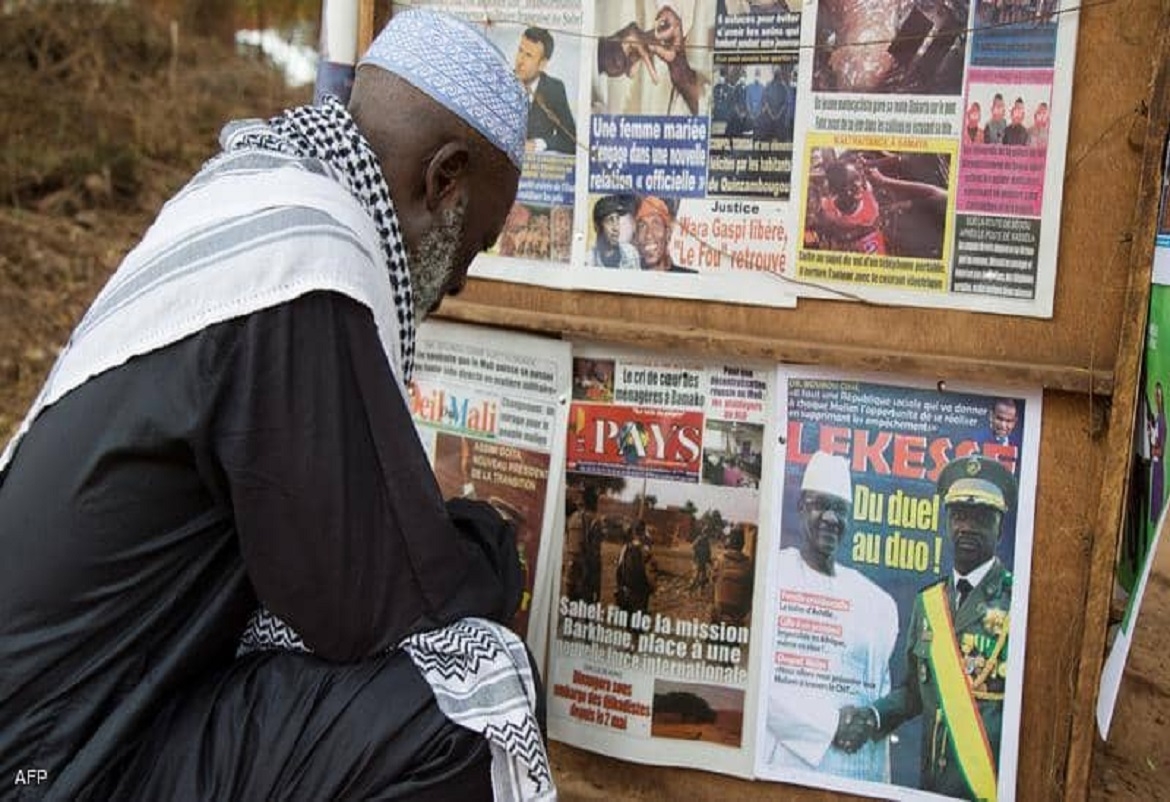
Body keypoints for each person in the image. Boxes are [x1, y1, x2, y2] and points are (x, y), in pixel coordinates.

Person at [0, 9, 553, 800]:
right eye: (475, 242)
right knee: (465, 706)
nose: (460, 278)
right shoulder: (303, 261)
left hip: (63, 727)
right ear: (443, 179)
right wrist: (490, 552)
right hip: (52, 766)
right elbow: (367, 609)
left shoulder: (256, 200)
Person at [848, 455, 1019, 801]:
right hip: (932, 786)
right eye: (958, 516)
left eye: (981, 518)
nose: (966, 527)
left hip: (985, 787)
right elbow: (916, 692)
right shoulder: (929, 604)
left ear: (999, 528)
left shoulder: (1016, 601)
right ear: (947, 523)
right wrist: (874, 716)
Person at [762, 452, 899, 782]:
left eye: (840, 509)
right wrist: (831, 724)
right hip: (792, 766)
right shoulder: (773, 575)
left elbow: (878, 692)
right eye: (820, 504)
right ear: (801, 507)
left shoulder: (876, 601)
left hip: (860, 771)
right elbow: (761, 688)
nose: (830, 518)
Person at [514, 26, 577, 154]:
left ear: (542, 64)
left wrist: (538, 144)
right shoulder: (503, 81)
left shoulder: (554, 89)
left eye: (528, 55)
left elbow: (571, 141)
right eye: (520, 50)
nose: (520, 60)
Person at [563, 484, 605, 604]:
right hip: (586, 574)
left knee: (570, 607)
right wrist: (597, 587)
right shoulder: (595, 521)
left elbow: (567, 543)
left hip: (570, 572)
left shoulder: (572, 518)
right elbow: (595, 555)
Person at [634, 195, 698, 272]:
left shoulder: (688, 277)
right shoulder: (626, 275)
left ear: (668, 233)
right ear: (636, 238)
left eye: (656, 224)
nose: (648, 235)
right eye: (642, 226)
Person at [615, 519, 658, 623]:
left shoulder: (625, 548)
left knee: (628, 618)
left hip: (628, 589)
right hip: (641, 591)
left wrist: (619, 586)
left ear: (634, 532)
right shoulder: (646, 550)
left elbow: (619, 568)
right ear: (643, 532)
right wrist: (653, 588)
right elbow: (650, 573)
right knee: (639, 618)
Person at [710, 525, 754, 625]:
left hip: (720, 611)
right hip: (738, 614)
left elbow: (713, 581)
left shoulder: (720, 560)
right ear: (742, 544)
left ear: (729, 541)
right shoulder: (748, 565)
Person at [591, 194, 640, 268]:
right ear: (597, 227)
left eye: (617, 219)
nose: (616, 228)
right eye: (610, 220)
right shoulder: (588, 260)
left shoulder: (631, 254)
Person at [1149, 382, 1166, 526]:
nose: (1157, 398)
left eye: (1158, 395)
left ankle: (1158, 518)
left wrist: (1154, 449)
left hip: (1157, 463)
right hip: (1154, 463)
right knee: (1154, 492)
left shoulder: (1162, 420)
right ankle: (1155, 518)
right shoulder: (1156, 418)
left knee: (1157, 491)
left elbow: (1160, 450)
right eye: (1156, 395)